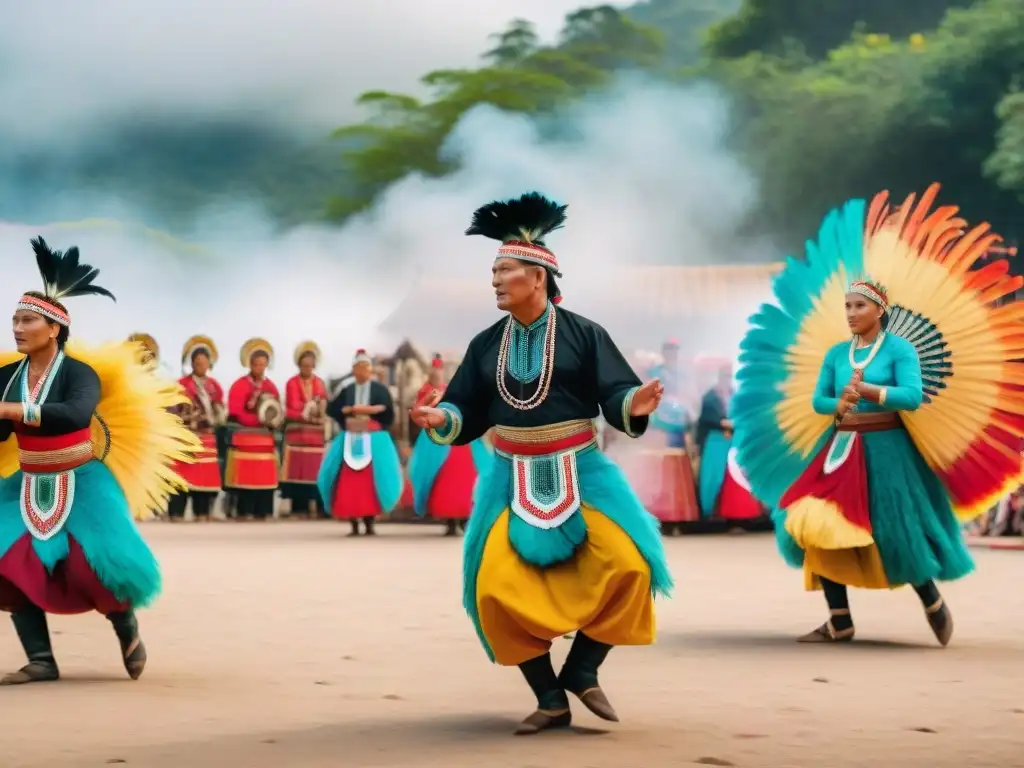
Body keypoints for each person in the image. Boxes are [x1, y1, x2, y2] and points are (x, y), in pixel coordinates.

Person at [410, 192, 672, 735]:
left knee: (630, 565)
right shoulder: (486, 345)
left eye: (504, 270)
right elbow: (467, 408)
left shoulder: (584, 334)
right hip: (509, 475)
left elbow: (617, 392)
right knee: (493, 586)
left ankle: (583, 668)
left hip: (583, 470)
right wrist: (443, 420)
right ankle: (548, 695)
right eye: (494, 271)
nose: (495, 281)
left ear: (537, 276)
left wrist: (632, 404)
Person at [732, 183, 1024, 645]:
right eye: (847, 305)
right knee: (811, 522)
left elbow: (910, 397)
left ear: (879, 310)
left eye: (859, 306)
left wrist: (869, 389)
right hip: (839, 448)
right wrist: (838, 404)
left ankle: (930, 599)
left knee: (897, 531)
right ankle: (839, 619)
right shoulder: (833, 352)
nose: (850, 313)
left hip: (889, 450)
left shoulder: (902, 349)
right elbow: (818, 402)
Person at [0, 236, 199, 684]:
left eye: (26, 319)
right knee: (10, 558)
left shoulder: (79, 374)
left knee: (98, 563)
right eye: (14, 318)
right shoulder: (5, 376)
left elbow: (74, 414)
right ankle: (41, 659)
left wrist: (13, 411)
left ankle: (126, 628)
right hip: (27, 478)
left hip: (84, 478)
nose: (16, 326)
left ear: (53, 328)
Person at [318, 349, 402, 536]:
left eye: (365, 368)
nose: (362, 371)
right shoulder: (347, 389)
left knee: (372, 481)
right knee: (348, 482)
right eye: (358, 368)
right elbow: (333, 409)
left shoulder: (380, 389)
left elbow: (388, 412)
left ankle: (370, 522)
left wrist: (370, 410)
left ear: (370, 370)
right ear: (353, 370)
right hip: (350, 437)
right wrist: (348, 410)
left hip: (373, 440)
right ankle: (354, 523)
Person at [408, 354, 493, 535]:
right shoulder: (425, 392)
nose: (437, 374)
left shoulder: (454, 390)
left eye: (439, 371)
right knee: (440, 476)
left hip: (459, 433)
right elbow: (419, 413)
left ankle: (464, 517)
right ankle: (450, 521)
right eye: (434, 372)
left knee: (466, 476)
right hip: (436, 436)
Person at [167, 336, 226, 522]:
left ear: (209, 364)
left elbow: (219, 409)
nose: (201, 365)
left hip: (206, 437)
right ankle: (176, 513)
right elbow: (172, 409)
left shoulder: (214, 386)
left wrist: (215, 414)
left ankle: (203, 512)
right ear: (191, 363)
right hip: (186, 436)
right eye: (197, 362)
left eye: (204, 362)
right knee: (181, 476)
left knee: (205, 477)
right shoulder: (181, 385)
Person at [224, 338, 282, 521]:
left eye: (263, 365)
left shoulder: (270, 386)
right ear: (249, 364)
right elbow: (234, 411)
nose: (260, 368)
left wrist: (271, 421)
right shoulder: (239, 385)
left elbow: (277, 409)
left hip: (265, 439)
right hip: (245, 438)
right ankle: (244, 510)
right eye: (257, 364)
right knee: (247, 476)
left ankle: (263, 510)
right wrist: (255, 420)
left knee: (265, 476)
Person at [696, 361, 761, 521]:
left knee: (734, 475)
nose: (726, 378)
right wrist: (721, 423)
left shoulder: (735, 394)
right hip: (716, 440)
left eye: (729, 375)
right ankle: (708, 511)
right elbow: (704, 419)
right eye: (724, 375)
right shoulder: (710, 396)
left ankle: (733, 512)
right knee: (712, 475)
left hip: (733, 440)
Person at [280, 342, 328, 519]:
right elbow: (292, 407)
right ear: (299, 365)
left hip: (315, 437)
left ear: (314, 365)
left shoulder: (320, 383)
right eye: (304, 365)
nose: (307, 368)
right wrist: (305, 412)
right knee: (297, 472)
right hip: (297, 434)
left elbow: (323, 403)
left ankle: (317, 508)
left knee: (315, 472)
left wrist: (318, 412)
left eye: (310, 365)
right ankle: (298, 509)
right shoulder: (292, 383)